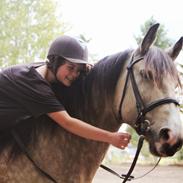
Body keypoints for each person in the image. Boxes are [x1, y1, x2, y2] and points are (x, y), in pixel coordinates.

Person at [0, 35, 131, 149]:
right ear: (55, 62)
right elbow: (68, 123)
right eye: (70, 67)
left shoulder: (44, 69)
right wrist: (110, 137)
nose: (75, 74)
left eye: (78, 70)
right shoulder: (35, 86)